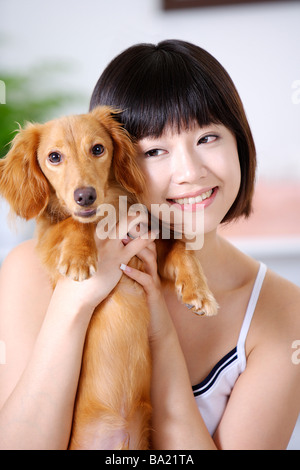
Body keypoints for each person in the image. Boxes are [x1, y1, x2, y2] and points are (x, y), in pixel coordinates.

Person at [0, 39, 299, 450]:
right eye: (155, 150)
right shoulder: (26, 272)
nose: (190, 172)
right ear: (123, 165)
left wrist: (161, 334)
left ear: (240, 141)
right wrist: (74, 303)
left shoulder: (286, 314)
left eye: (208, 138)